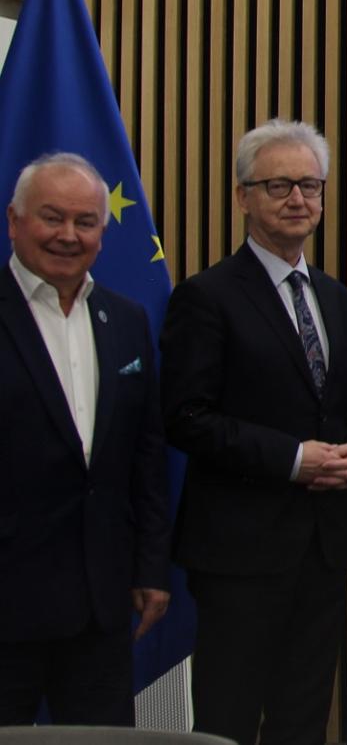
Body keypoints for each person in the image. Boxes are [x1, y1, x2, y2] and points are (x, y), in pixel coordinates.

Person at [163, 120, 347, 745]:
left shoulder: (337, 299)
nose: (297, 198)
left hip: (323, 550)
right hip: (239, 555)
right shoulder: (206, 297)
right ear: (242, 197)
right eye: (278, 185)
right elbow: (186, 417)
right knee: (226, 720)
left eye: (310, 184)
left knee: (302, 721)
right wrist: (293, 459)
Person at [0, 153, 169, 725]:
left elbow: (145, 456)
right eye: (52, 218)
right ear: (14, 221)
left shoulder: (126, 319)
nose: (68, 235)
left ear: (102, 231)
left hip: (102, 606)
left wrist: (150, 568)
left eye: (85, 221)